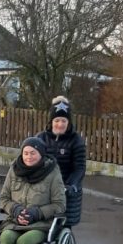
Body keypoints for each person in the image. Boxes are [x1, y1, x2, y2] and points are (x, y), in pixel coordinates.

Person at [0, 136, 66, 244]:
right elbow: (4, 198)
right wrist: (16, 210)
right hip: (15, 220)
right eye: (25, 153)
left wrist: (37, 213)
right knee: (5, 239)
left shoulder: (52, 172)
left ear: (41, 154)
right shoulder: (14, 169)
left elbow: (59, 205)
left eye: (33, 153)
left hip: (41, 223)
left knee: (24, 242)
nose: (28, 157)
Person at [36, 96, 87, 227]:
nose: (60, 124)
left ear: (68, 122)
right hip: (43, 188)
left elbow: (79, 168)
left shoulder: (76, 141)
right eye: (57, 120)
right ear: (51, 121)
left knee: (61, 225)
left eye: (64, 121)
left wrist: (71, 185)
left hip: (65, 188)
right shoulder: (40, 138)